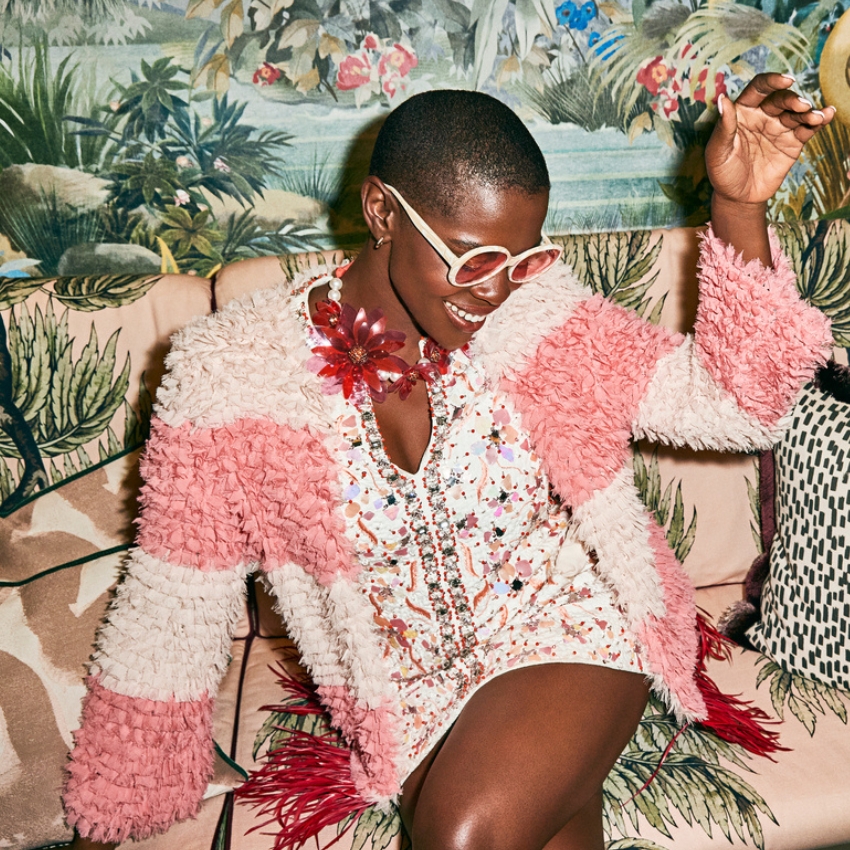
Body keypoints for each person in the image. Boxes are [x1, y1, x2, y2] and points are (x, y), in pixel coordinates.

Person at [65, 77, 834, 850]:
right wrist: (121, 805)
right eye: (471, 260)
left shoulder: (544, 317)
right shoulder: (232, 373)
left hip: (569, 628)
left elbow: (734, 408)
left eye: (521, 258)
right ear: (382, 213)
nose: (496, 291)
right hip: (407, 693)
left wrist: (739, 208)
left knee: (460, 834)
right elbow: (175, 596)